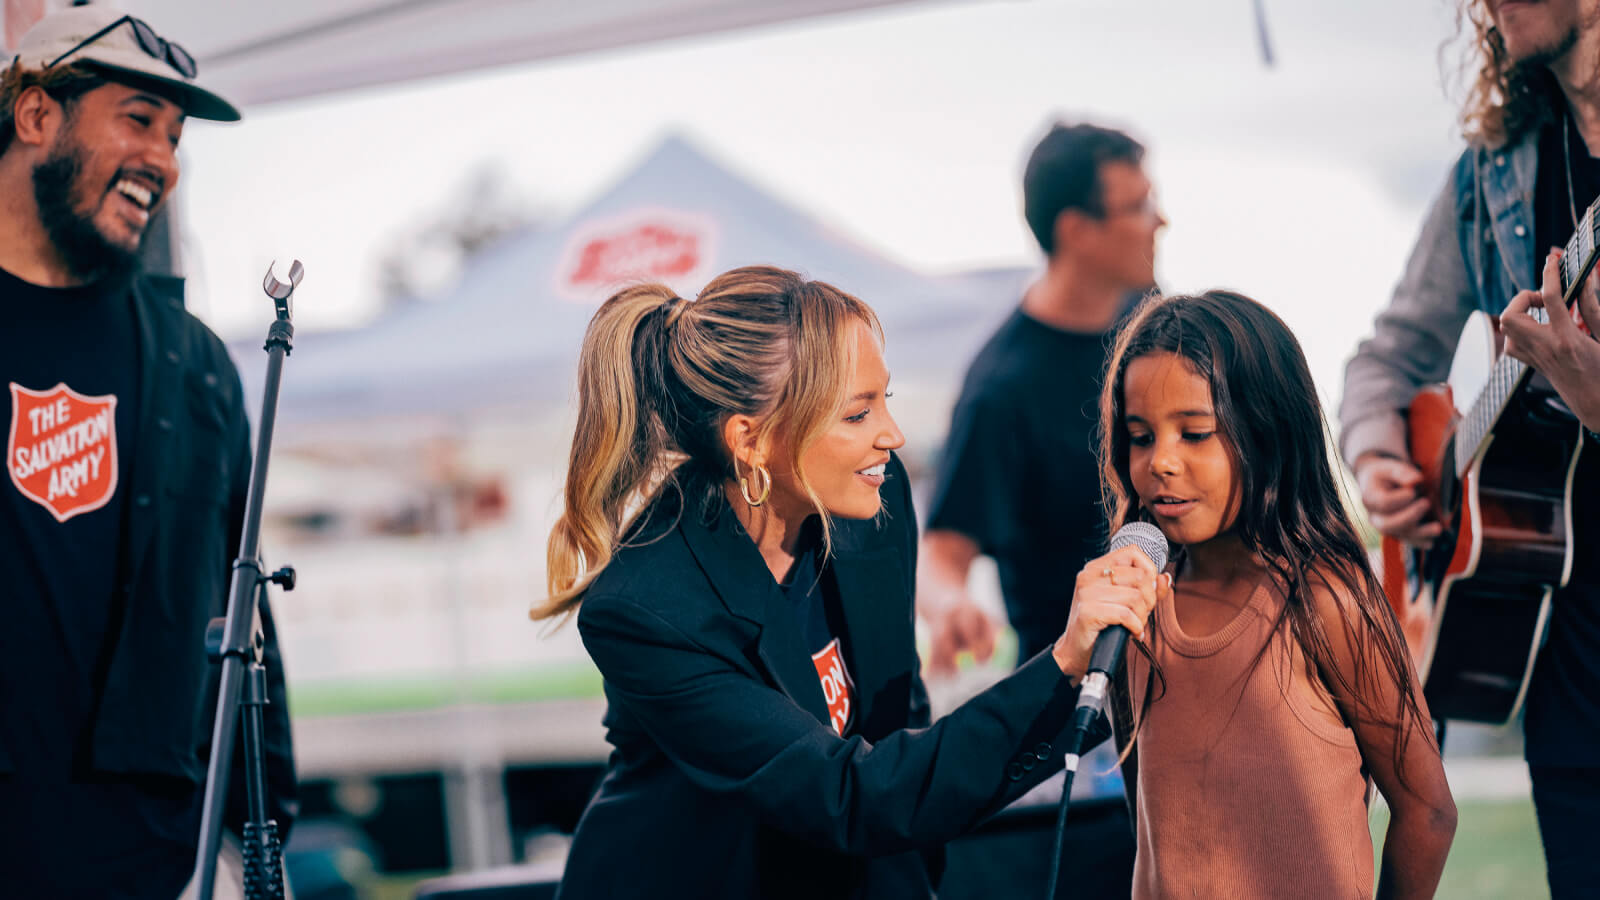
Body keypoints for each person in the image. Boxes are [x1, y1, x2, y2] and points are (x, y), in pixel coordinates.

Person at [533, 265, 1166, 900]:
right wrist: (1060, 665)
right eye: (858, 413)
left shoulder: (875, 506)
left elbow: (898, 725)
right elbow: (851, 795)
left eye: (884, 400)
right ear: (750, 440)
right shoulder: (648, 608)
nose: (891, 436)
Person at [0, 7, 296, 897]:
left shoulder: (195, 363)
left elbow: (245, 615)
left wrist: (265, 830)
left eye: (175, 139)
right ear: (37, 115)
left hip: (150, 859)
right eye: (138, 119)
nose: (164, 162)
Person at [1339, 2, 1600, 895]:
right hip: (1567, 652)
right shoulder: (1488, 175)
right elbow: (1386, 360)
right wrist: (1380, 460)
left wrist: (1589, 391)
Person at [1106, 292, 1457, 899]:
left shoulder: (1324, 600)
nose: (1160, 461)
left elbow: (1427, 811)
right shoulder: (1136, 604)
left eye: (1195, 433)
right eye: (1140, 436)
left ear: (1267, 430)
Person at [920, 121, 1165, 675]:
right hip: (1080, 699)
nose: (1161, 221)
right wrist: (950, 607)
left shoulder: (1151, 312)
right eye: (1140, 205)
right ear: (1078, 230)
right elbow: (943, 550)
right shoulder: (1002, 387)